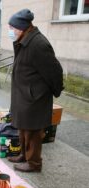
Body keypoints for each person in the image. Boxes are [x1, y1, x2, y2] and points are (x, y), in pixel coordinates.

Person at [7, 9, 64, 172]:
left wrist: (56, 90)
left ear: (22, 27)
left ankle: (34, 163)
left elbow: (55, 71)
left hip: (34, 96)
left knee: (32, 132)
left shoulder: (38, 44)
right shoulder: (23, 39)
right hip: (24, 94)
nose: (9, 31)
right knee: (23, 128)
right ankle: (23, 155)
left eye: (11, 27)